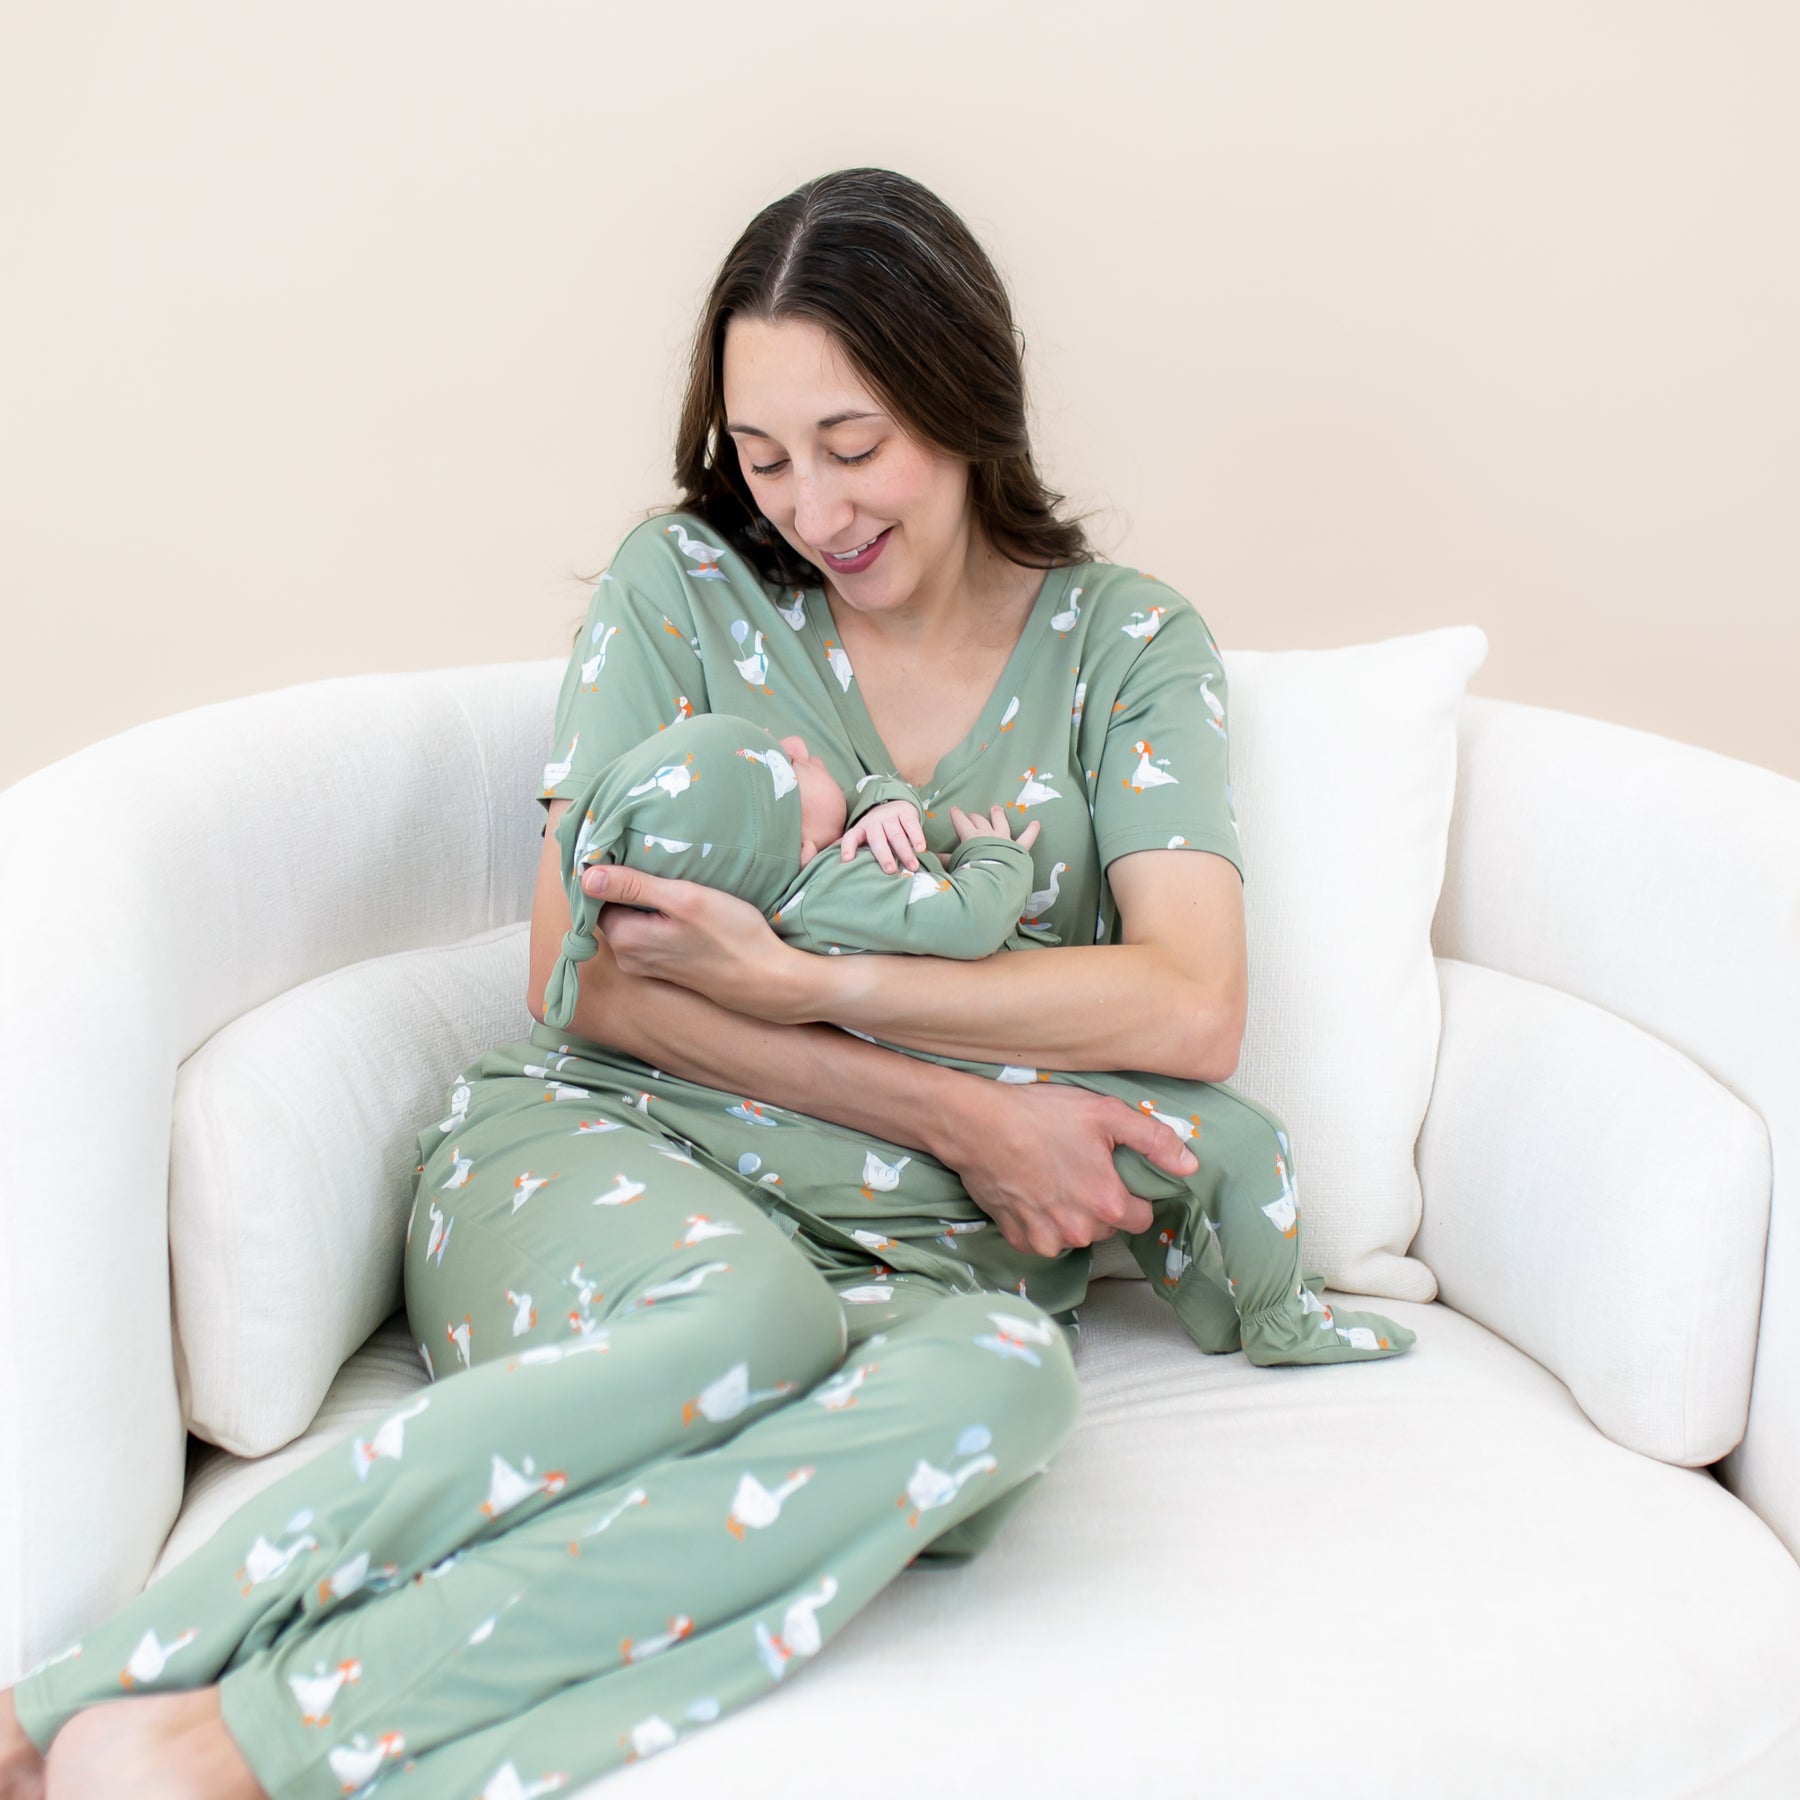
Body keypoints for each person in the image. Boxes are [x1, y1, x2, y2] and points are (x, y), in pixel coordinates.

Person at [0, 164, 1403, 1800]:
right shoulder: (678, 595)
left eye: (854, 443)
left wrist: (785, 978)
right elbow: (580, 981)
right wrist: (959, 1104)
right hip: (607, 1161)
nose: (811, 507)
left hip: (915, 1272)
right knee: (746, 1312)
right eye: (764, 455)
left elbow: (1187, 1001)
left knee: (1009, 1393)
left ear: (967, 401)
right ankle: (96, 1714)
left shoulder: (1128, 647)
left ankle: (250, 1732)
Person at [537, 704, 1412, 1366]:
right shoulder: (840, 893)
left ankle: (1211, 1307)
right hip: (1031, 1075)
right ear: (787, 836)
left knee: (1160, 1188)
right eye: (783, 763)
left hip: (1019, 1080)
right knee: (1245, 1145)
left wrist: (875, 802)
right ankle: (1279, 1317)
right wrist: (999, 858)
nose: (804, 748)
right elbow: (965, 921)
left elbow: (848, 814)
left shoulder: (791, 896)